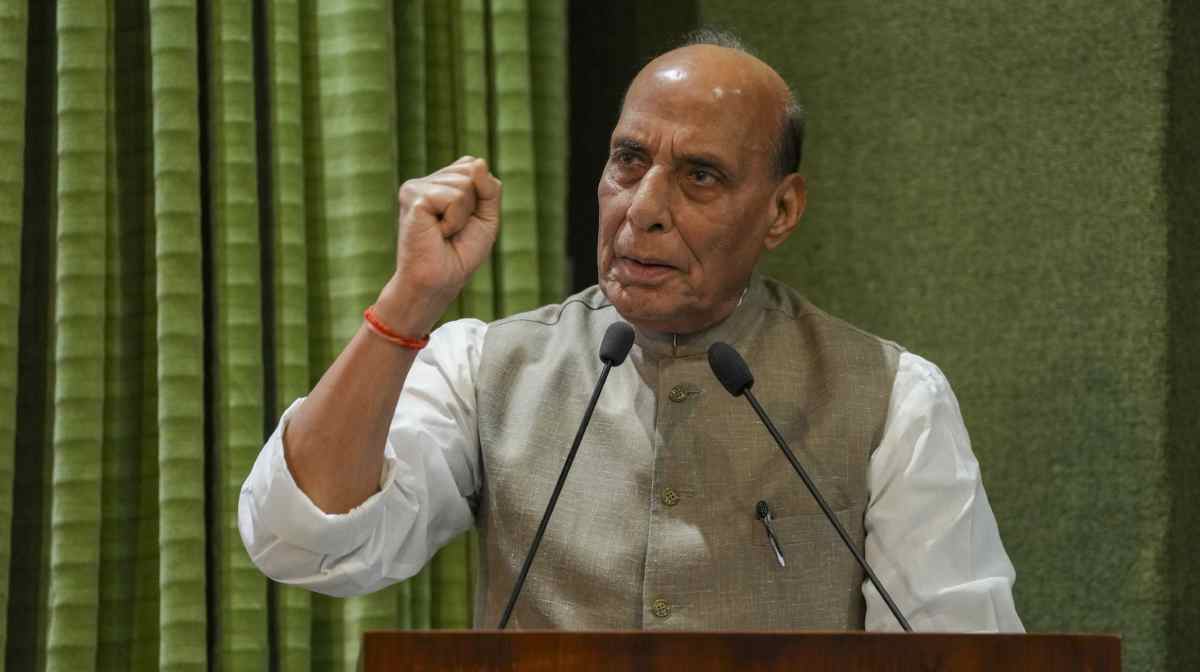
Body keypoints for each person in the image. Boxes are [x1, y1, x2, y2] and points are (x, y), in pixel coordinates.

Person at [239, 31, 1024, 632]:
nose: (643, 206)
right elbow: (307, 544)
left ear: (781, 210)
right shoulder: (486, 367)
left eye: (700, 175)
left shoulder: (894, 398)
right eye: (629, 160)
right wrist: (409, 304)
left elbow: (958, 652)